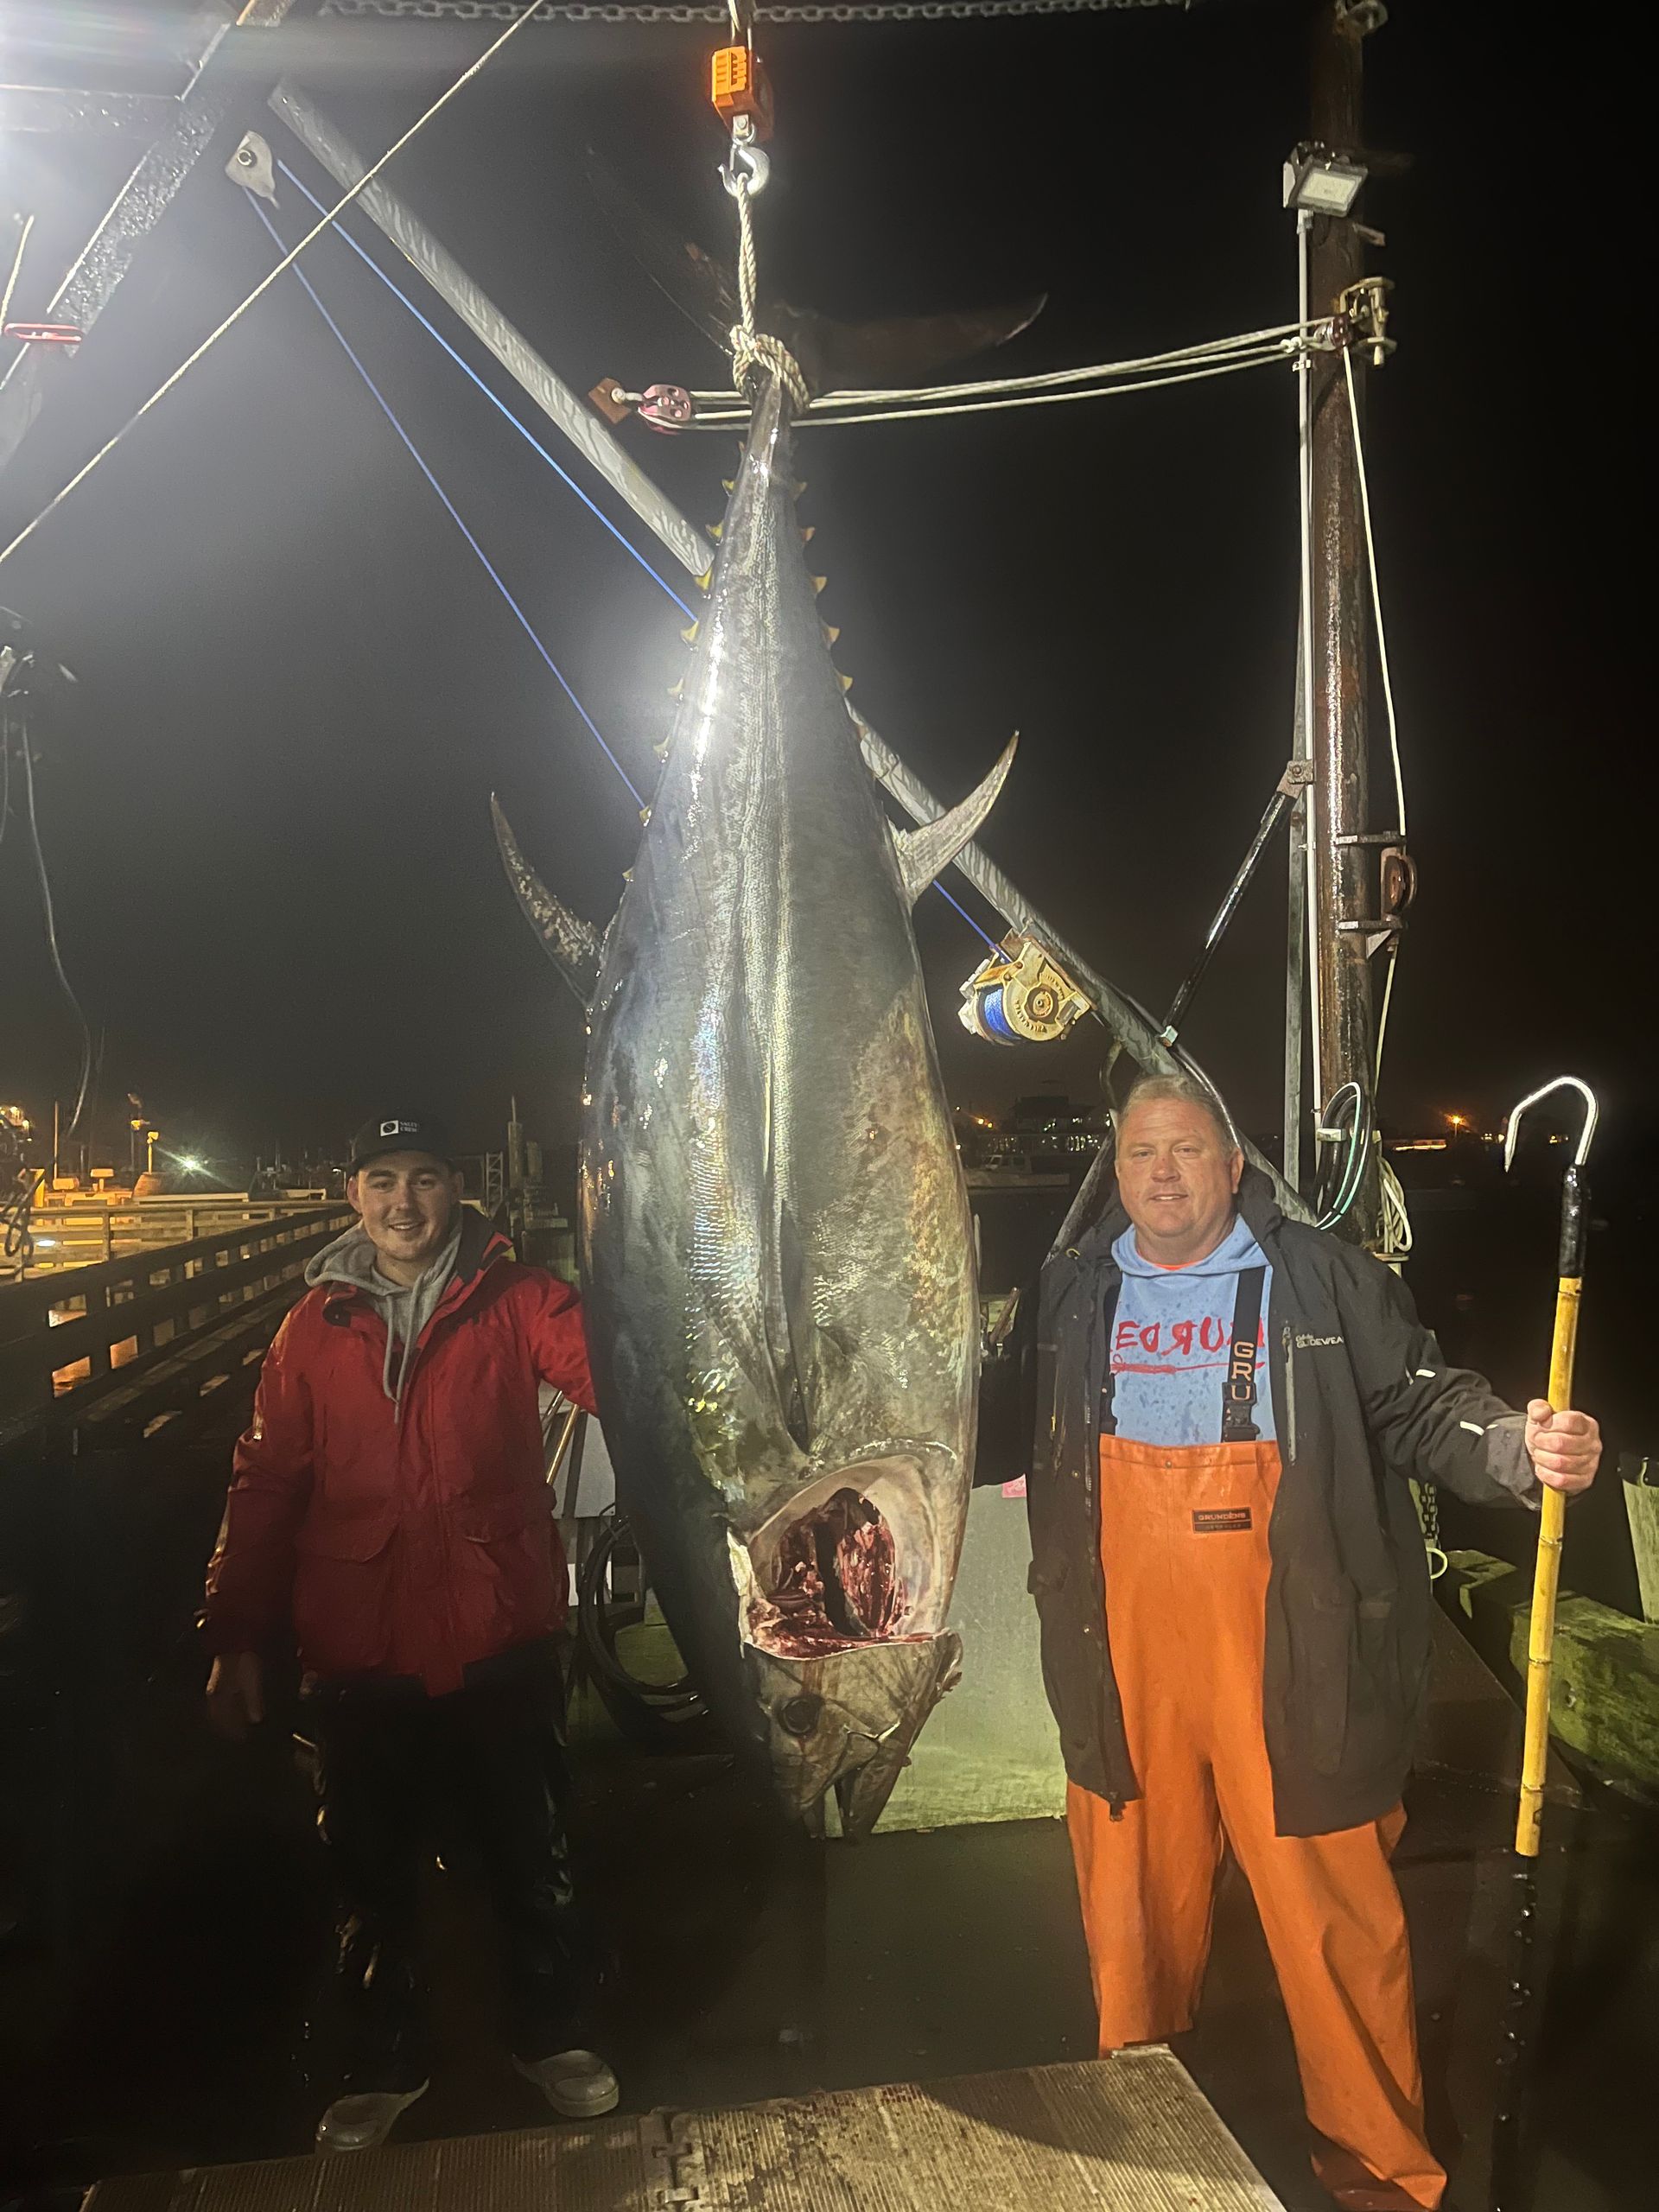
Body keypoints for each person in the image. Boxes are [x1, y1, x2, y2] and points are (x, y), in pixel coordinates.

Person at [1025, 1074, 1602, 2212]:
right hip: (1119, 1658)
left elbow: (1424, 1407)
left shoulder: (1325, 1278)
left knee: (1335, 1933)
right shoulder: (1070, 1290)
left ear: (1233, 1168)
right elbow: (1008, 1427)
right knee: (1129, 1926)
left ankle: (1383, 2177)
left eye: (1188, 1151)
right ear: (1118, 1168)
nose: (1164, 1175)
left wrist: (1513, 1446)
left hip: (1299, 1655)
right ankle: (1149, 2158)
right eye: (1142, 1154)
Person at [201, 1114, 616, 2153]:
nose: (402, 1201)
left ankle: (550, 2033)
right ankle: (383, 2058)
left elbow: (626, 1377)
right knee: (368, 1870)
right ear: (352, 1195)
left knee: (534, 1853)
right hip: (359, 1643)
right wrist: (236, 1631)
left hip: (499, 1625)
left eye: (424, 1178)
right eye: (380, 1179)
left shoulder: (521, 1299)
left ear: (456, 1188)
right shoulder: (311, 1327)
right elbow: (266, 1482)